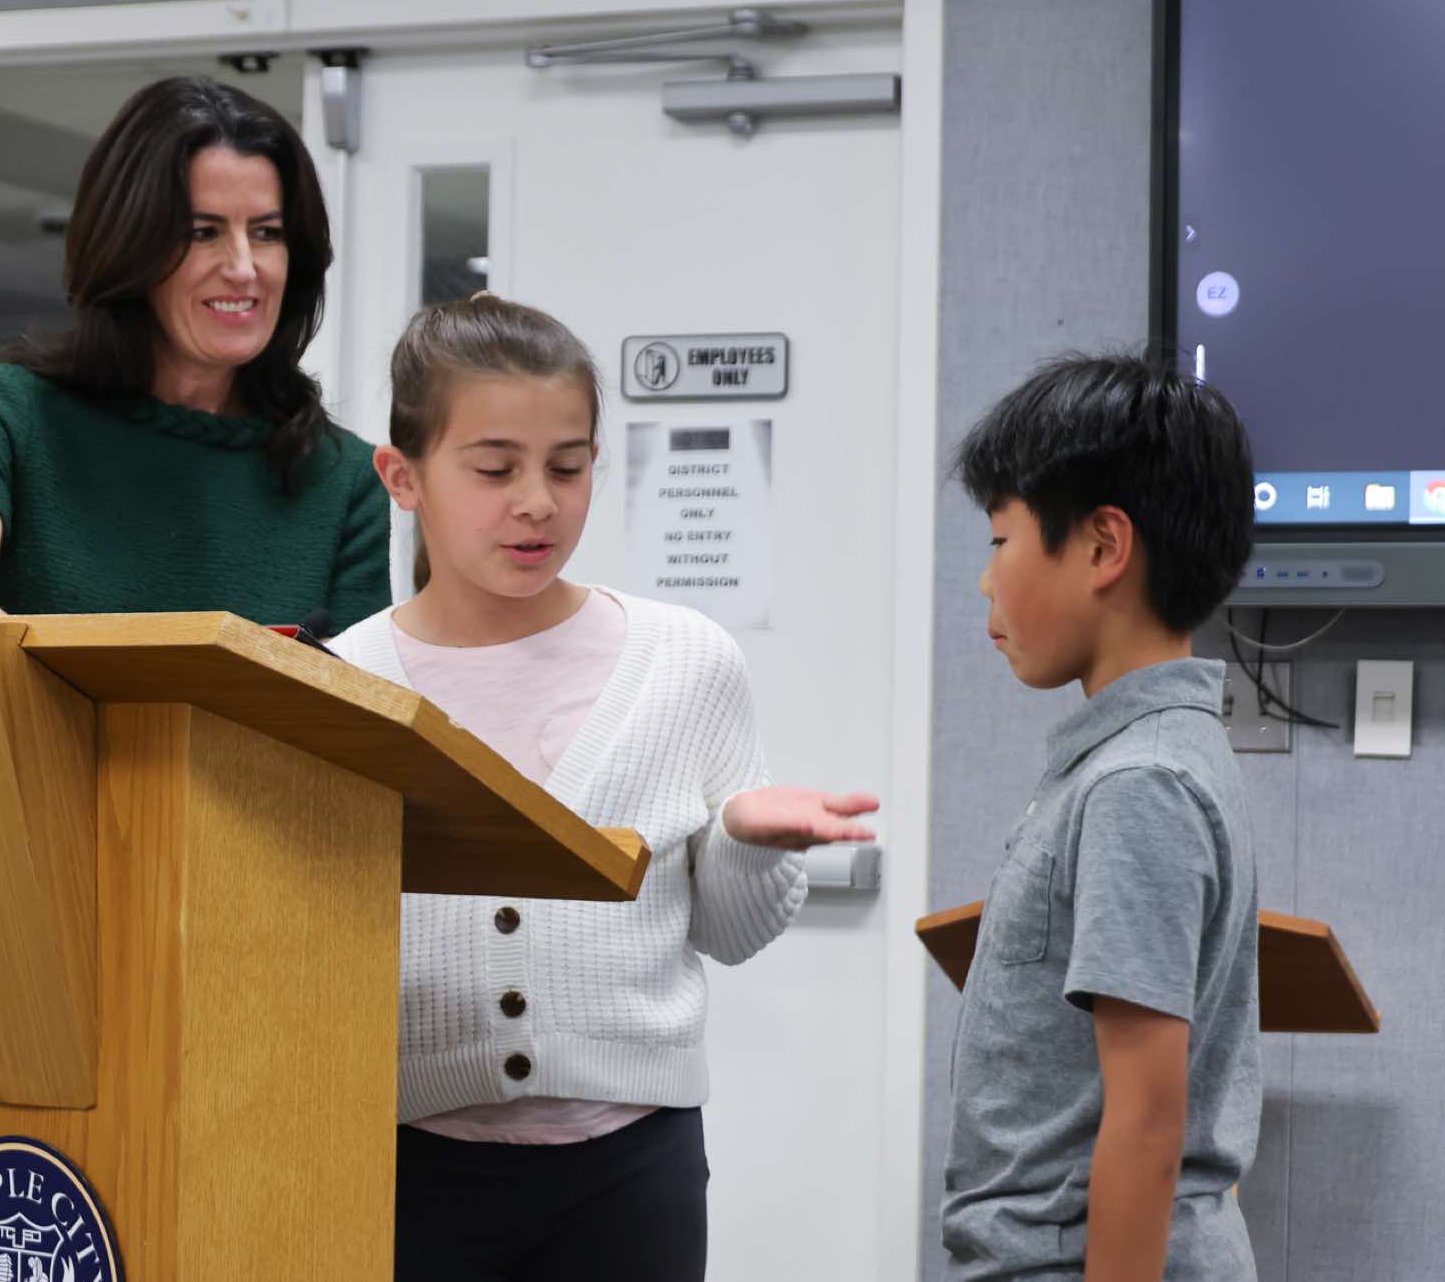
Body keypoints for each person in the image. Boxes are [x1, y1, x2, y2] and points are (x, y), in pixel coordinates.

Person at [0, 76, 393, 1282]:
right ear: (130, 245)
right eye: (202, 231)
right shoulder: (7, 415)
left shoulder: (340, 482)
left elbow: (355, 743)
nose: (243, 267)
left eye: (267, 233)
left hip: (234, 965)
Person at [329, 293, 878, 1282]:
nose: (537, 501)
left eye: (568, 466)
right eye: (494, 469)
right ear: (401, 477)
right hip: (405, 1162)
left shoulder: (685, 660)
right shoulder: (340, 683)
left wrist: (745, 843)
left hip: (630, 1168)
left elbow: (730, 934)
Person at [941, 353, 1261, 1281]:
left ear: (1102, 547)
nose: (986, 581)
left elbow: (1147, 1122)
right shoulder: (1142, 757)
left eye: (1000, 540)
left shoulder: (1140, 783)